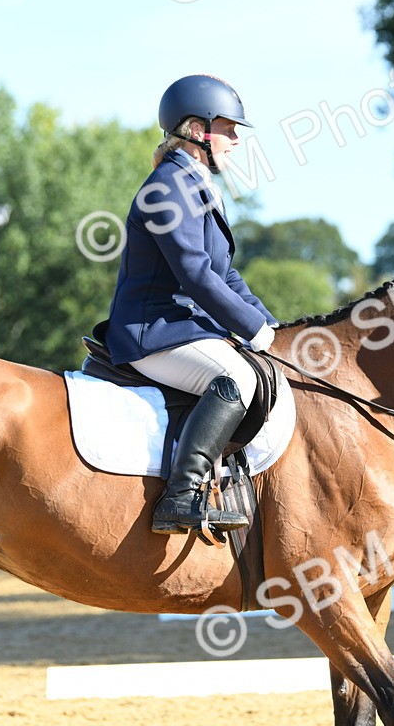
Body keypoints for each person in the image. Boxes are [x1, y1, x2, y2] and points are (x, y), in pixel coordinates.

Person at [103, 74, 279, 535]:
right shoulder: (168, 186)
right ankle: (181, 495)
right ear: (198, 129)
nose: (237, 139)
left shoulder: (192, 182)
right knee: (237, 376)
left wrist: (270, 326)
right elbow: (195, 274)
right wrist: (252, 332)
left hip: (185, 328)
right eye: (229, 128)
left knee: (258, 365)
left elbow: (225, 275)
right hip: (154, 332)